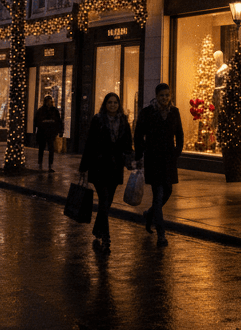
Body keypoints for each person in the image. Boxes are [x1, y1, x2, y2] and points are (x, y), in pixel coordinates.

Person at [79, 92, 133, 254]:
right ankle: (107, 237)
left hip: (115, 168)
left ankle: (97, 229)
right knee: (104, 200)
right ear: (105, 104)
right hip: (99, 166)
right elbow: (89, 144)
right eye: (110, 102)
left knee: (107, 203)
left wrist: (131, 161)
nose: (112, 105)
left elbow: (127, 144)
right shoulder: (98, 120)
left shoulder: (124, 121)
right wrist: (83, 167)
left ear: (119, 104)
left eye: (115, 103)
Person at [134, 82, 184, 247]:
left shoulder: (174, 112)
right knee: (158, 194)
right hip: (153, 159)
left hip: (169, 159)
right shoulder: (147, 112)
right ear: (156, 96)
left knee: (168, 191)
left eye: (167, 95)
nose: (164, 98)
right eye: (162, 95)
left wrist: (177, 151)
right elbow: (138, 134)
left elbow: (180, 134)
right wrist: (141, 153)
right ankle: (161, 234)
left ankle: (149, 214)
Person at [33, 93, 64, 170]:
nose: (49, 103)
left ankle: (50, 165)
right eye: (48, 101)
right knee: (42, 148)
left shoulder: (54, 110)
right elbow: (36, 121)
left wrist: (60, 130)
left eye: (50, 101)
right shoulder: (41, 110)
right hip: (43, 132)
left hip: (51, 133)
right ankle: (40, 164)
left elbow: (59, 121)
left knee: (51, 149)